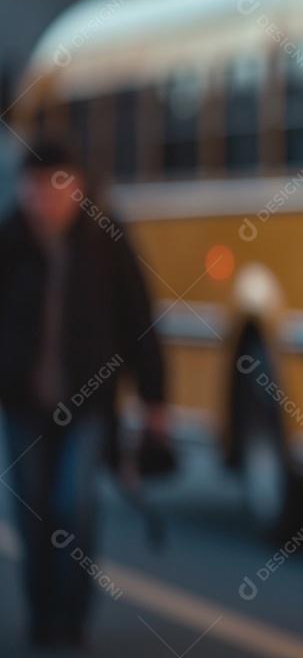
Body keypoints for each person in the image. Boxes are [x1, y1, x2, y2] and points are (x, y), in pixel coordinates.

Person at [0, 135, 167, 649]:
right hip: (24, 403)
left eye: (54, 187)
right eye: (32, 189)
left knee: (75, 504)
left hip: (89, 403)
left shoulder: (106, 241)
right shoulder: (10, 242)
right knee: (33, 513)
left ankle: (71, 620)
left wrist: (155, 399)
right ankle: (42, 616)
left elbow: (139, 320)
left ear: (77, 188)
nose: (42, 200)